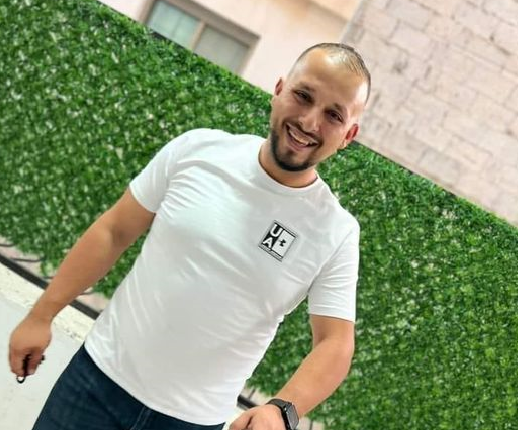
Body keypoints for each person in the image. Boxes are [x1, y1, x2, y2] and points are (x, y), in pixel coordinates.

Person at [8, 42, 371, 430]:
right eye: (303, 96)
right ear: (279, 90)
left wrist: (282, 410)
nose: (310, 122)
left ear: (348, 135)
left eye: (333, 115)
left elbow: (335, 342)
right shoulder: (199, 150)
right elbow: (113, 232)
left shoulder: (335, 231)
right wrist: (41, 314)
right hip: (95, 383)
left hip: (193, 421)